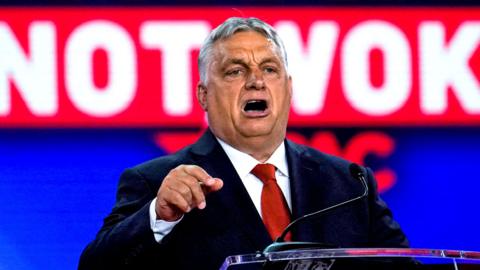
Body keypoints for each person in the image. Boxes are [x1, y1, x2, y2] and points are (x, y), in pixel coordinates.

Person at [78, 17, 409, 270]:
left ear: (288, 88)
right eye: (235, 71)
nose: (256, 81)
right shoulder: (159, 184)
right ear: (203, 96)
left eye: (269, 69)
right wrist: (158, 216)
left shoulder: (351, 183)